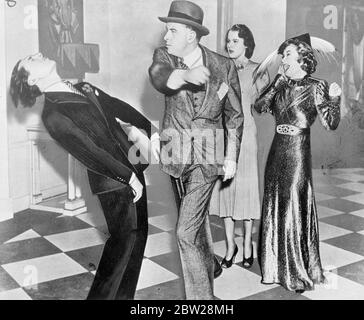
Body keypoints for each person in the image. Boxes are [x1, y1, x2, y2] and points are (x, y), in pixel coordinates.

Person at [10, 52, 154, 300]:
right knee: (121, 245)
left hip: (131, 167)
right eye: (31, 60)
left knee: (137, 238)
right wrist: (127, 177)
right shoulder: (53, 115)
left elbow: (115, 104)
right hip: (113, 180)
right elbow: (90, 151)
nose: (38, 54)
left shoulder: (81, 87)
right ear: (32, 80)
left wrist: (149, 128)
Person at [148, 0, 243, 299]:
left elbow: (235, 116)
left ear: (191, 34)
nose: (165, 36)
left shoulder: (223, 65)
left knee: (185, 231)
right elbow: (159, 75)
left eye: (172, 30)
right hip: (176, 155)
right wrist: (184, 76)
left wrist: (231, 156)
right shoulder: (165, 55)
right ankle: (208, 269)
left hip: (209, 156)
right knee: (195, 223)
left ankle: (201, 301)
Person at [254, 34, 341, 293]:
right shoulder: (280, 84)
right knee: (274, 205)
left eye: (289, 54)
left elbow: (330, 123)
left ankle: (296, 270)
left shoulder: (317, 86)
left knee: (293, 204)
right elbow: (259, 106)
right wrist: (279, 79)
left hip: (298, 153)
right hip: (276, 151)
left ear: (303, 57)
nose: (284, 58)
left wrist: (334, 100)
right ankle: (274, 269)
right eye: (283, 55)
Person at [210, 24, 268, 269]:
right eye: (228, 41)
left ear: (246, 43)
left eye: (234, 41)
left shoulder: (258, 71)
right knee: (227, 190)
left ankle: (247, 244)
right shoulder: (221, 70)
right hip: (226, 136)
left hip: (248, 136)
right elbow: (214, 105)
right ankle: (231, 245)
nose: (229, 45)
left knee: (246, 189)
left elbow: (263, 106)